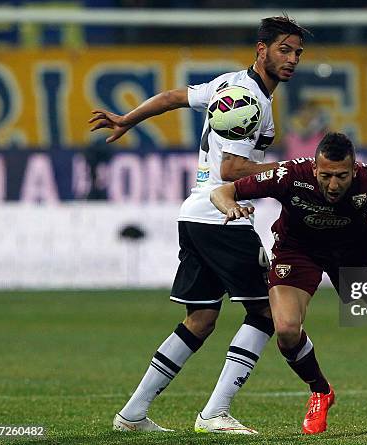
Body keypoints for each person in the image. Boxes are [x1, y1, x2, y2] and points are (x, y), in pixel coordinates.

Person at [88, 16, 307, 434]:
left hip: (196, 213)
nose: (292, 59)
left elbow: (173, 96)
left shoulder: (229, 83)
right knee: (265, 311)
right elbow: (232, 168)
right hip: (222, 216)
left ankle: (132, 414)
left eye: (297, 52)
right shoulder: (250, 98)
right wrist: (297, 171)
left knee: (201, 319)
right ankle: (215, 413)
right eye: (284, 49)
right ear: (261, 50)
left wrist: (128, 120)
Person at [210, 132, 367, 434]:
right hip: (298, 253)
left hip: (355, 254)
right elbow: (223, 191)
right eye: (326, 175)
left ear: (354, 171)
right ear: (314, 169)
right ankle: (320, 391)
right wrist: (230, 207)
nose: (333, 185)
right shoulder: (287, 175)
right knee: (287, 331)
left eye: (341, 176)